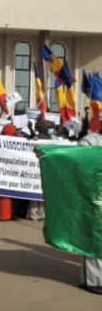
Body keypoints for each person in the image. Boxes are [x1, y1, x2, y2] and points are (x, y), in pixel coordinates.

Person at [77, 124, 102, 295]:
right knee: (94, 238)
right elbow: (77, 164)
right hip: (94, 196)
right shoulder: (89, 141)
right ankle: (93, 280)